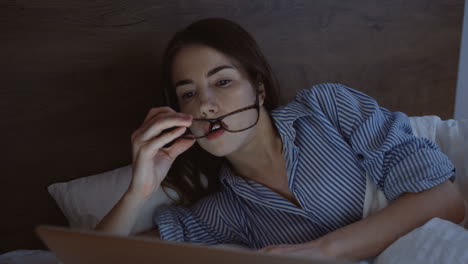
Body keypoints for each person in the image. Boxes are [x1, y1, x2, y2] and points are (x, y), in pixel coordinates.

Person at [95, 18, 465, 261]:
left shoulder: (327, 108)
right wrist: (138, 192)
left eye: (222, 82)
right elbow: (98, 258)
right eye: (188, 94)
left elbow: (446, 200)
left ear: (258, 90)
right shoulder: (226, 211)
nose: (206, 105)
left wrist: (324, 250)